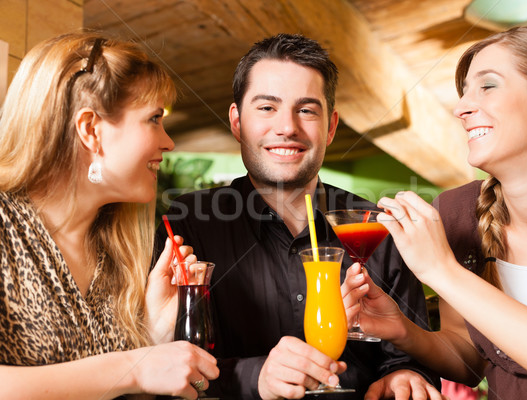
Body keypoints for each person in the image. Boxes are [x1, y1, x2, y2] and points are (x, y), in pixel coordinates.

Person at [155, 33, 441, 399]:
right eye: (266, 108)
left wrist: (404, 375)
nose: (287, 127)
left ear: (331, 127)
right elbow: (167, 368)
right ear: (237, 121)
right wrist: (255, 376)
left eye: (306, 110)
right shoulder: (187, 226)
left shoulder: (376, 227)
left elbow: (413, 356)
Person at [342, 25, 527, 399]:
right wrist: (404, 331)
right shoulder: (458, 211)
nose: (460, 108)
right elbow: (469, 358)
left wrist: (440, 270)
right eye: (464, 92)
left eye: (488, 86)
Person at [0, 32, 219, 399]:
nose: (168, 142)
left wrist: (153, 335)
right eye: (153, 119)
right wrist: (134, 367)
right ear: (90, 130)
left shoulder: (120, 254)